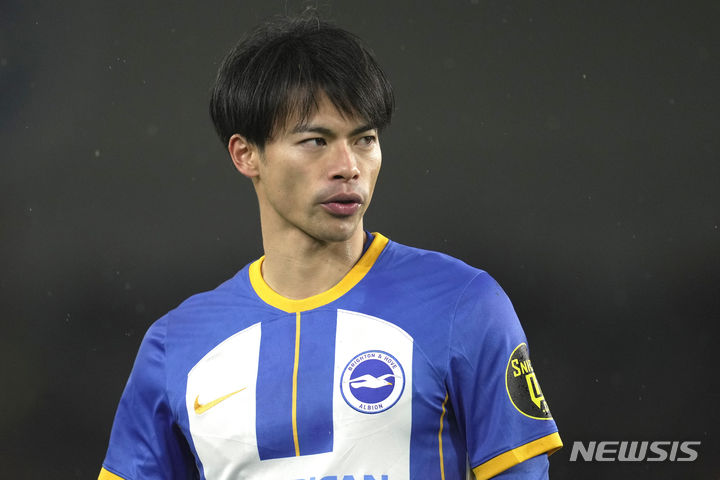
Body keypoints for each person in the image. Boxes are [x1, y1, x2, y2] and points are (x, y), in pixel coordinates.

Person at [99, 13, 562, 480]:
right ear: (246, 154)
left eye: (365, 140)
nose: (348, 166)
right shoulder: (175, 346)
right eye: (316, 141)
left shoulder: (463, 305)